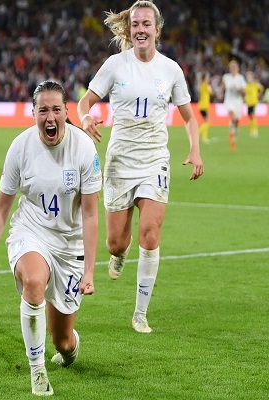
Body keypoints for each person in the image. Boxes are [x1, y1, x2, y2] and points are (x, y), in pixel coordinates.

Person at [77, 0, 204, 334]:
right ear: (130, 29)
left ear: (157, 29)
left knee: (151, 232)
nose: (141, 29)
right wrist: (86, 117)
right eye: (135, 24)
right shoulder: (116, 65)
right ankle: (120, 253)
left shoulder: (171, 70)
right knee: (115, 244)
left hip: (154, 160)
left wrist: (195, 148)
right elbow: (84, 102)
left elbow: (190, 117)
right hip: (120, 160)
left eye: (147, 24)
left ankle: (140, 314)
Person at [0, 80, 101, 396]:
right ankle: (37, 371)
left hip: (69, 246)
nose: (50, 117)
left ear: (66, 112)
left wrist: (88, 272)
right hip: (32, 232)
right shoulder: (20, 147)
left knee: (63, 342)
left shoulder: (84, 149)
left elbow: (90, 214)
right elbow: (2, 207)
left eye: (56, 109)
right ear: (33, 113)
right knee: (33, 282)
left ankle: (67, 349)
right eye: (43, 110)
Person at [219, 60, 246, 150]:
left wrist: (238, 89)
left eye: (235, 67)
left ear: (238, 69)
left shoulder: (240, 78)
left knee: (237, 120)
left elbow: (244, 91)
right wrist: (220, 93)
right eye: (232, 68)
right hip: (229, 100)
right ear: (230, 69)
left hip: (238, 101)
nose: (233, 69)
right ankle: (232, 126)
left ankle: (233, 129)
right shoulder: (226, 77)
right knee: (233, 117)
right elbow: (222, 85)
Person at [244, 71, 264, 138]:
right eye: (247, 77)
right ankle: (251, 130)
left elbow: (262, 88)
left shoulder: (255, 84)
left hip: (254, 102)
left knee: (252, 115)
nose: (248, 78)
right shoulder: (246, 85)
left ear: (252, 78)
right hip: (248, 103)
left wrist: (259, 95)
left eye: (249, 77)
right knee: (250, 116)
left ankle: (255, 130)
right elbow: (245, 93)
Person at [198, 72, 213, 144]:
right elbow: (211, 92)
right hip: (203, 106)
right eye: (207, 78)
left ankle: (204, 138)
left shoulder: (203, 85)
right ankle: (198, 132)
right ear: (204, 79)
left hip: (203, 106)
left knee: (206, 122)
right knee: (207, 122)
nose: (208, 79)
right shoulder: (205, 85)